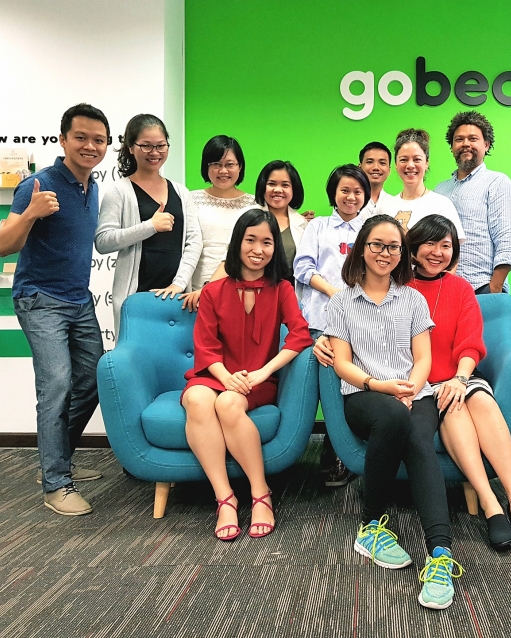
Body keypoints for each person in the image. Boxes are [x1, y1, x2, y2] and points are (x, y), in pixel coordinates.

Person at [323, 214, 463, 609]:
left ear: (402, 254)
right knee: (392, 416)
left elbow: (423, 358)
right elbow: (342, 363)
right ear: (362, 249)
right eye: (377, 245)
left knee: (417, 437)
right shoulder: (342, 301)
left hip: (414, 393)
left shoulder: (413, 299)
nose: (385, 253)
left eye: (393, 247)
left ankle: (440, 554)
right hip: (364, 395)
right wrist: (381, 386)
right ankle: (370, 526)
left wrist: (410, 389)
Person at [0, 103, 110, 515]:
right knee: (57, 385)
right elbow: (3, 246)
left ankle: (56, 459)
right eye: (81, 137)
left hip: (79, 300)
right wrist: (30, 213)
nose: (90, 146)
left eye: (98, 140)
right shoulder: (38, 184)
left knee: (95, 379)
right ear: (62, 140)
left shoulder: (92, 187)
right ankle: (56, 484)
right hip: (40, 300)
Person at [406, 215, 511, 552]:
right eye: (430, 243)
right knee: (452, 408)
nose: (437, 252)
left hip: (462, 373)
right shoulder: (399, 289)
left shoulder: (461, 288)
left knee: (480, 400)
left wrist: (461, 378)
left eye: (445, 245)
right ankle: (490, 502)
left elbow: (470, 343)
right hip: (424, 383)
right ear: (414, 247)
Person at [181, 208, 312, 541]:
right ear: (238, 242)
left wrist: (264, 372)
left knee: (228, 404)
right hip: (217, 373)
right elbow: (206, 346)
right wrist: (226, 377)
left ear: (275, 248)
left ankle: (260, 494)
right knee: (197, 399)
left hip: (258, 378)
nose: (258, 249)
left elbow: (299, 335)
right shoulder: (214, 291)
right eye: (251, 240)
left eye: (267, 242)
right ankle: (225, 498)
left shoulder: (282, 289)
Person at [292, 164, 369, 487]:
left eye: (357, 191)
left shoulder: (372, 227)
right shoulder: (318, 226)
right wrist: (333, 291)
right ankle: (326, 449)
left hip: (362, 320)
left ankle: (342, 450)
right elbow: (302, 267)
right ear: (333, 194)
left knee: (350, 386)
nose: (351, 197)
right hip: (320, 319)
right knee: (325, 385)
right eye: (344, 190)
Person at [95, 114, 201, 336]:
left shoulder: (181, 192)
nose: (155, 152)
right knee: (136, 354)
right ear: (131, 148)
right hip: (135, 299)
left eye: (161, 145)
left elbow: (194, 241)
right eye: (146, 146)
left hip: (177, 298)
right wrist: (150, 226)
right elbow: (103, 242)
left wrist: (178, 284)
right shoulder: (119, 191)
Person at [434, 111, 511, 294]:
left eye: (473, 139)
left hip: (482, 287)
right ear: (452, 147)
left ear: (486, 145)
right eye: (459, 139)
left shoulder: (498, 183)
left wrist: (495, 287)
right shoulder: (440, 190)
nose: (466, 144)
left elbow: (507, 238)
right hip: (443, 288)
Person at [180, 135, 255, 312]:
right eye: (216, 164)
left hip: (238, 288)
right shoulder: (190, 199)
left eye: (230, 164)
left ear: (240, 166)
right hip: (195, 290)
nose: (223, 171)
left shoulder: (254, 205)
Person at [369, 129, 466, 243]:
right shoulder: (384, 207)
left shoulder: (442, 205)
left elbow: (453, 250)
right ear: (396, 164)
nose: (410, 165)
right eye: (403, 160)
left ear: (426, 163)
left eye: (417, 159)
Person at [254, 160, 310, 283]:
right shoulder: (248, 216)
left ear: (294, 189)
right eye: (272, 184)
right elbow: (229, 257)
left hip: (290, 290)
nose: (278, 190)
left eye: (285, 185)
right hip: (252, 287)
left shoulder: (303, 224)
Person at [358, 141, 392, 217]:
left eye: (382, 163)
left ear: (389, 170)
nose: (376, 167)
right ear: (359, 168)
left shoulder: (395, 204)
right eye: (370, 162)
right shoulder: (350, 200)